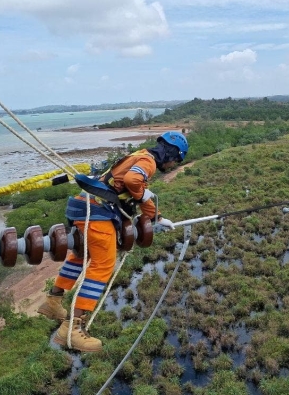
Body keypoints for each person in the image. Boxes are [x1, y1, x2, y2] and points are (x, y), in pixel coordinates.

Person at [37, 131, 189, 352]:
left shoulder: (139, 154)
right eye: (177, 159)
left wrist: (157, 217)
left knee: (82, 256)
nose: (174, 164)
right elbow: (133, 181)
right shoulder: (148, 161)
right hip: (98, 213)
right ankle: (71, 329)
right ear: (172, 153)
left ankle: (53, 301)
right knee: (103, 266)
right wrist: (145, 194)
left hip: (82, 206)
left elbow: (133, 189)